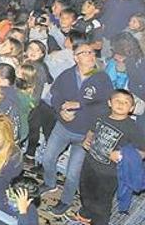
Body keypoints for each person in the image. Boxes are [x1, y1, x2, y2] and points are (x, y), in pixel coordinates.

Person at [40, 41, 113, 217]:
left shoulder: (102, 78)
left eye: (91, 52)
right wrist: (61, 110)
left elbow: (105, 107)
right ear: (76, 58)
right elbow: (54, 96)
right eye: (85, 52)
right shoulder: (66, 75)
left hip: (85, 133)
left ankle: (65, 201)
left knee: (73, 173)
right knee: (47, 158)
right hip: (63, 127)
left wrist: (80, 105)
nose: (91, 55)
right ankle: (50, 184)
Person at [77, 89, 145, 225]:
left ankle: (99, 221)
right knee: (85, 189)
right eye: (117, 100)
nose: (121, 104)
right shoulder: (101, 116)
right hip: (90, 163)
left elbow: (143, 151)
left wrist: (122, 155)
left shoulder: (132, 128)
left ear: (131, 108)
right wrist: (87, 139)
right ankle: (86, 211)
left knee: (102, 201)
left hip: (109, 173)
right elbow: (91, 131)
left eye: (126, 102)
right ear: (109, 103)